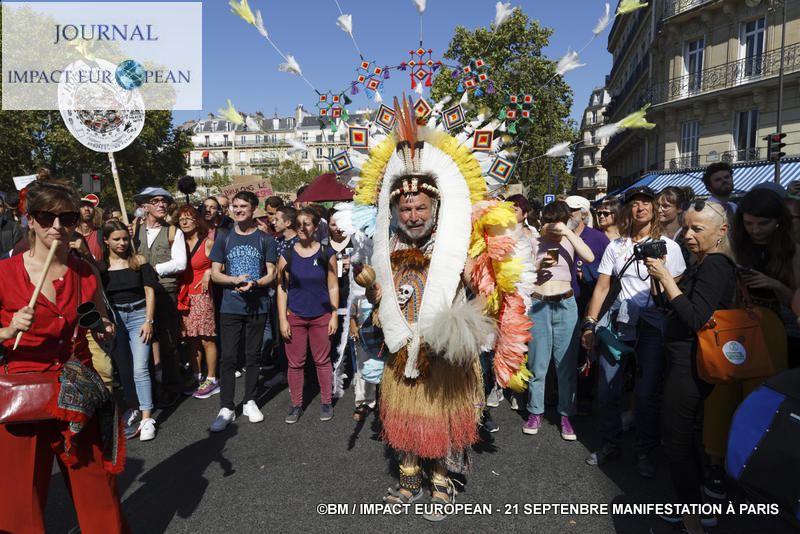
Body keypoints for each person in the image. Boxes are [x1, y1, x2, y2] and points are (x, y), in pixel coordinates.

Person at [0, 180, 130, 533]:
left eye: (67, 217)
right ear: (30, 219)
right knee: (20, 499)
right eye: (46, 216)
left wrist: (104, 329)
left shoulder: (85, 272)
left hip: (77, 389)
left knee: (98, 490)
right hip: (22, 395)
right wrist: (9, 331)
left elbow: (98, 318)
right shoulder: (3, 274)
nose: (57, 225)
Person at [581, 186, 686, 477]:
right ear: (626, 210)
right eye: (634, 204)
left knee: (646, 393)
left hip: (653, 326)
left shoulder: (669, 246)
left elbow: (674, 292)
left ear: (654, 209)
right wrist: (590, 323)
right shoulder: (616, 246)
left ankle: (644, 450)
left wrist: (659, 272)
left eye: (645, 203)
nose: (639, 208)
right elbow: (602, 288)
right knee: (607, 390)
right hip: (618, 325)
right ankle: (611, 443)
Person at [646, 201, 734, 534]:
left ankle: (693, 523)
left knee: (677, 441)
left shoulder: (716, 265)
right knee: (684, 438)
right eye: (686, 227)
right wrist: (659, 279)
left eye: (698, 228)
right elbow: (669, 305)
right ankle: (695, 510)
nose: (688, 234)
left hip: (692, 364)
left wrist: (666, 276)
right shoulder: (702, 263)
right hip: (684, 360)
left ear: (721, 232)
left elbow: (695, 318)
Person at [701, 188, 794, 498]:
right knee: (720, 395)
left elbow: (795, 299)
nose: (755, 230)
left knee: (759, 401)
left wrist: (773, 284)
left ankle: (751, 465)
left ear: (778, 222)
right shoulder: (732, 246)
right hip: (729, 325)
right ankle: (715, 465)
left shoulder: (791, 251)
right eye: (750, 223)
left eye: (762, 224)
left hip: (769, 328)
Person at [523, 200, 595, 439]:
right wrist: (537, 265)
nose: (553, 228)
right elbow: (522, 276)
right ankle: (536, 411)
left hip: (566, 305)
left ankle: (566, 415)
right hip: (538, 303)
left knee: (565, 365)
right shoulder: (535, 241)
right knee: (537, 364)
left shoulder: (571, 240)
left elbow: (590, 257)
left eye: (558, 223)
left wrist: (568, 232)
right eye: (549, 222)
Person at [208, 191, 277, 431]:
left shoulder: (265, 239)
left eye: (243, 206)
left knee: (252, 356)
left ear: (254, 208)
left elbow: (272, 273)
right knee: (228, 357)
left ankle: (249, 400)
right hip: (230, 306)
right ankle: (226, 407)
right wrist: (233, 280)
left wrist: (255, 283)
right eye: (235, 206)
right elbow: (215, 274)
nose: (238, 210)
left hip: (257, 305)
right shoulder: (223, 237)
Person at [277, 209, 338, 423]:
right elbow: (282, 288)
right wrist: (283, 319)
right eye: (299, 224)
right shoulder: (287, 255)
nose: (303, 228)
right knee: (295, 364)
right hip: (295, 317)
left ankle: (326, 402)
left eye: (308, 224)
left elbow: (332, 285)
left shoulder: (326, 252)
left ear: (315, 227)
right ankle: (296, 405)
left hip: (321, 316)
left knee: (322, 361)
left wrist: (334, 314)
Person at [101, 220, 158, 441]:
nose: (122, 243)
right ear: (106, 240)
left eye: (125, 238)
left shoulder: (139, 261)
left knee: (140, 369)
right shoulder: (101, 266)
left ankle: (147, 418)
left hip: (139, 317)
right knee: (123, 369)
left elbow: (150, 292)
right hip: (115, 320)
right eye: (116, 239)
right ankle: (133, 407)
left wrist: (149, 321)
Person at [132, 186, 187, 406]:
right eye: (156, 201)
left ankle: (171, 387)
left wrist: (153, 270)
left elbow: (180, 263)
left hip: (165, 292)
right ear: (144, 206)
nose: (162, 205)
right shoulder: (133, 231)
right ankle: (149, 388)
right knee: (143, 343)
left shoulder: (174, 232)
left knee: (168, 342)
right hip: (139, 294)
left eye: (165, 201)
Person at [176, 205, 219, 399]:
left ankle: (211, 378)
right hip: (183, 295)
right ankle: (197, 375)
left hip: (201, 295)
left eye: (188, 218)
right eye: (181, 219)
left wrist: (209, 271)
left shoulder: (207, 243)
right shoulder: (178, 242)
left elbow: (221, 263)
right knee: (191, 339)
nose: (184, 222)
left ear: (197, 221)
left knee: (206, 338)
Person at [328, 209, 352, 398]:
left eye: (340, 224)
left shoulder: (356, 242)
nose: (337, 228)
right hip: (332, 298)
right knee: (335, 339)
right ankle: (335, 376)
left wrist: (355, 265)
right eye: (333, 224)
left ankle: (356, 374)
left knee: (354, 337)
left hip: (352, 294)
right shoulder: (323, 245)